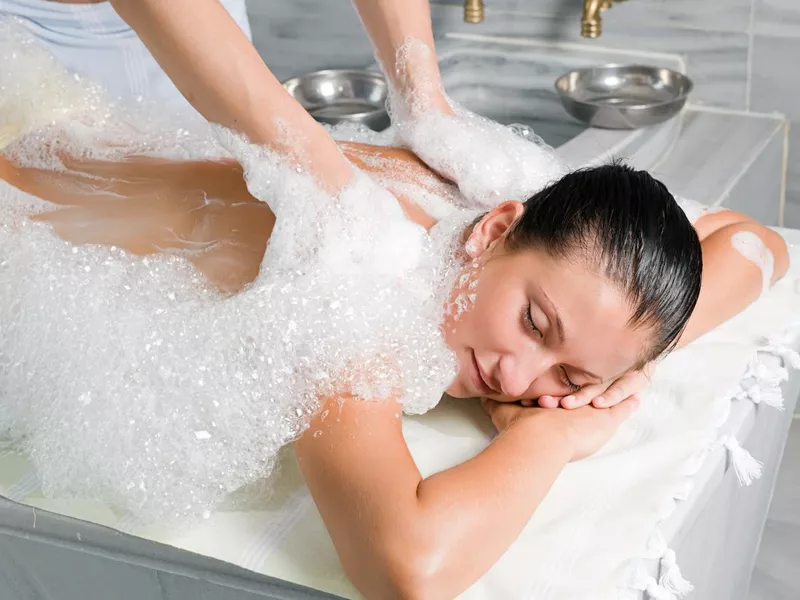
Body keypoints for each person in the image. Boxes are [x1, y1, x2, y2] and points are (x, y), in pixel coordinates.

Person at [0, 124, 790, 598]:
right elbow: (408, 568)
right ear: (494, 231)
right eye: (534, 323)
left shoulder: (513, 207)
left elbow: (758, 241)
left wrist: (626, 361)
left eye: (566, 378)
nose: (517, 380)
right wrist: (551, 435)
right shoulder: (360, 276)